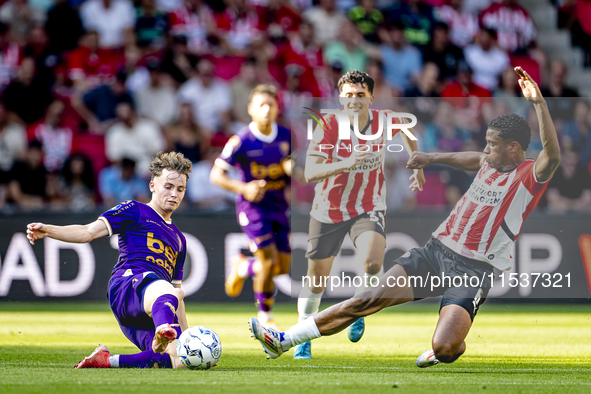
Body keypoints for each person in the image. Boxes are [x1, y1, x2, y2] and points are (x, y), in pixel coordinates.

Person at [249, 67, 561, 368]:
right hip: (435, 253)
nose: (486, 149)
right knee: (366, 300)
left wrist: (539, 103)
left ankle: (448, 346)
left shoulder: (529, 176)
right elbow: (471, 159)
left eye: (492, 144)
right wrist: (430, 157)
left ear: (514, 148)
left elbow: (553, 156)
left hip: (474, 269)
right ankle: (283, 340)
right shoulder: (489, 162)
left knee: (446, 348)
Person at [294, 70, 425, 360]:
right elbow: (311, 172)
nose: (354, 100)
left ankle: (358, 309)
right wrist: (348, 161)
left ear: (370, 98)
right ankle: (303, 333)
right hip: (328, 208)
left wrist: (417, 164)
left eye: (361, 95)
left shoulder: (384, 120)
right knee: (316, 280)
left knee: (372, 260)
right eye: (349, 95)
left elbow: (408, 129)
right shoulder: (328, 125)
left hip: (369, 205)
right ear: (341, 98)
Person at [26, 151, 193, 369]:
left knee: (181, 360)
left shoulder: (180, 239)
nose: (174, 194)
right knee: (171, 292)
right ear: (152, 186)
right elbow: (87, 232)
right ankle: (162, 331)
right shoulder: (135, 210)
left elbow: (176, 301)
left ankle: (107, 360)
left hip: (152, 306)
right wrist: (49, 230)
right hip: (128, 286)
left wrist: (190, 338)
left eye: (180, 189)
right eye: (168, 187)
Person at [210, 84, 292, 330]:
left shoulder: (287, 136)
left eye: (271, 105)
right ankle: (266, 316)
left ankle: (243, 266)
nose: (267, 110)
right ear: (251, 110)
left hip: (279, 206)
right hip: (253, 208)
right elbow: (216, 175)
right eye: (261, 105)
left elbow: (297, 168)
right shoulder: (241, 140)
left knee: (282, 268)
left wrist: (294, 169)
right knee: (267, 262)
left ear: (278, 108)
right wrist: (243, 188)